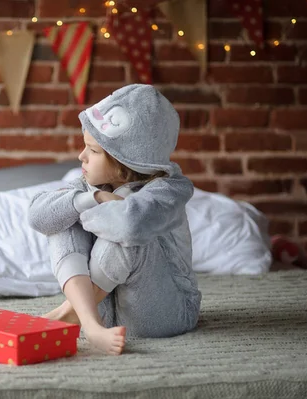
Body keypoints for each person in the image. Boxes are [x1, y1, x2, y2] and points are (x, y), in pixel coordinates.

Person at [28, 84, 202, 355]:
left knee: (130, 234)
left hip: (164, 313)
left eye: (93, 151)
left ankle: (67, 315)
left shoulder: (170, 190)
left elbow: (131, 225)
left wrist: (84, 210)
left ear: (127, 160)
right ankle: (89, 323)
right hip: (105, 314)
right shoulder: (94, 185)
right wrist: (94, 199)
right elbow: (38, 216)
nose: (80, 156)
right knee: (62, 214)